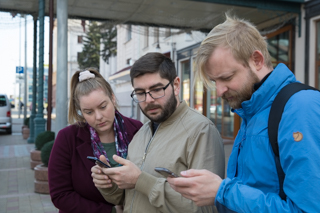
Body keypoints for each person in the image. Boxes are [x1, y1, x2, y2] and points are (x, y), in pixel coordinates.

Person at [167, 14, 320, 212]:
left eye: (227, 77)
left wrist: (223, 192)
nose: (220, 90)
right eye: (214, 81)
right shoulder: (251, 110)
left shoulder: (300, 107)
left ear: (257, 60)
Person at [91, 52, 225, 213]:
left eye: (156, 89)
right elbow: (128, 198)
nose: (148, 100)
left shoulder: (201, 131)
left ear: (176, 85)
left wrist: (141, 180)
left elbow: (205, 208)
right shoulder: (141, 133)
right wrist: (108, 184)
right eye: (140, 92)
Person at [48, 68, 143, 213]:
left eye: (103, 107)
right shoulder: (67, 138)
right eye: (89, 112)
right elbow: (60, 195)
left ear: (112, 98)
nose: (98, 117)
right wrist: (109, 211)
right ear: (80, 110)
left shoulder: (137, 129)